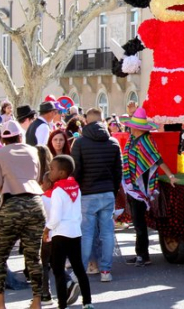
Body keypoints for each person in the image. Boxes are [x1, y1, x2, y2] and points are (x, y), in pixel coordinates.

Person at [0, 119, 45, 309]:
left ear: (4, 139)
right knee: (33, 256)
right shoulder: (33, 151)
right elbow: (36, 177)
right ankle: (37, 300)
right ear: (20, 136)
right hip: (35, 203)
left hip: (11, 202)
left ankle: (0, 301)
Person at [121, 107, 178, 266]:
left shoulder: (145, 141)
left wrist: (170, 176)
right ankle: (139, 252)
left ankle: (143, 256)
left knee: (139, 223)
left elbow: (157, 159)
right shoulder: (132, 139)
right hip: (132, 185)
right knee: (136, 222)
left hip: (140, 186)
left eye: (131, 125)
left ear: (137, 127)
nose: (129, 128)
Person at [72, 108, 122, 282]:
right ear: (102, 121)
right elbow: (118, 172)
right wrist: (113, 190)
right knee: (107, 233)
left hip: (87, 193)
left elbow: (76, 171)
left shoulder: (79, 143)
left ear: (87, 121)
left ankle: (81, 270)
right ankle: (106, 271)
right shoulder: (113, 142)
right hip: (107, 192)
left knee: (86, 234)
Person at [44, 155, 94, 309]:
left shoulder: (58, 191)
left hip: (60, 234)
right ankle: (87, 302)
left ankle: (62, 304)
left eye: (52, 169)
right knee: (79, 268)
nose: (49, 172)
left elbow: (55, 217)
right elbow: (77, 212)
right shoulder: (76, 188)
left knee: (58, 270)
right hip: (75, 232)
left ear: (62, 173)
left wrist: (47, 229)